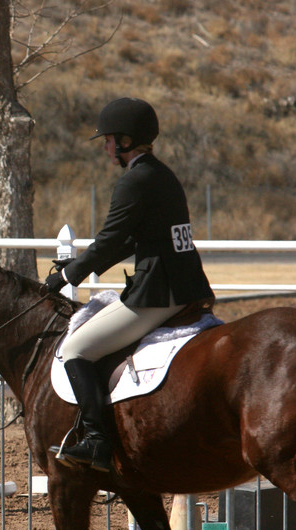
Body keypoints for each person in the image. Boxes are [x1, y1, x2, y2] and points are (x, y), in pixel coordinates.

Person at [43, 97, 214, 474]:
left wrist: (63, 278)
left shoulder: (133, 181)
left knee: (76, 348)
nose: (105, 147)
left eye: (108, 140)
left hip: (158, 294)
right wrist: (78, 265)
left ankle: (97, 443)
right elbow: (131, 240)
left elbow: (108, 241)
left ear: (125, 140)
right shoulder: (161, 174)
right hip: (185, 285)